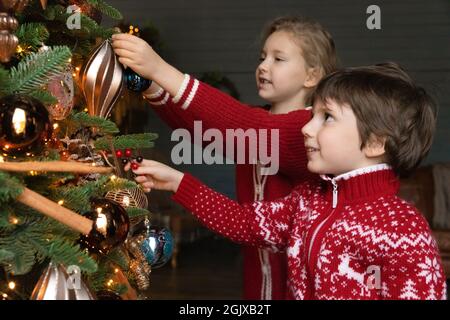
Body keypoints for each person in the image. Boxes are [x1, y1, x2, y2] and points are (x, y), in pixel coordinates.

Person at [125, 63, 447, 299]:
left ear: (376, 142)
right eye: (312, 116)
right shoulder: (309, 198)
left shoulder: (402, 230)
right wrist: (180, 182)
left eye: (327, 118)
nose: (307, 129)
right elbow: (244, 222)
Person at [112, 16, 337, 299]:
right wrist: (151, 86)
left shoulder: (307, 130)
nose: (263, 66)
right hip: (256, 281)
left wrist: (159, 69)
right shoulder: (256, 123)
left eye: (278, 59)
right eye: (262, 57)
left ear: (312, 76)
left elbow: (248, 125)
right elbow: (200, 129)